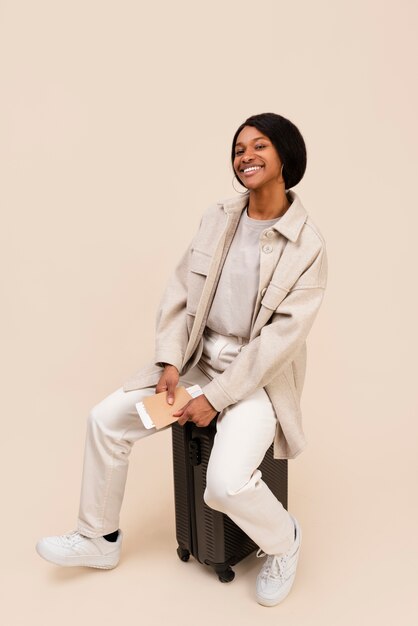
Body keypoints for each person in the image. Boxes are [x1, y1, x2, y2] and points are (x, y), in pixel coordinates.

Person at [36, 112, 328, 607]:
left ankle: (285, 542)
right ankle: (98, 538)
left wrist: (216, 397)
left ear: (286, 158)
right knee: (105, 420)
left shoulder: (307, 245)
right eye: (239, 149)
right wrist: (171, 362)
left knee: (225, 485)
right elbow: (180, 292)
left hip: (257, 380)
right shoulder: (218, 217)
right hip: (199, 360)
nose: (246, 156)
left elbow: (279, 344)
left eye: (260, 146)